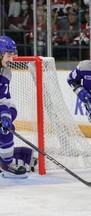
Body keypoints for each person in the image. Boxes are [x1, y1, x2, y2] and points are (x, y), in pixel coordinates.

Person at [0, 35, 28, 178]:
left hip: (4, 105)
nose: (12, 59)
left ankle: (6, 163)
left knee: (7, 126)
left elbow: (2, 99)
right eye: (9, 55)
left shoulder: (5, 71)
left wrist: (4, 116)